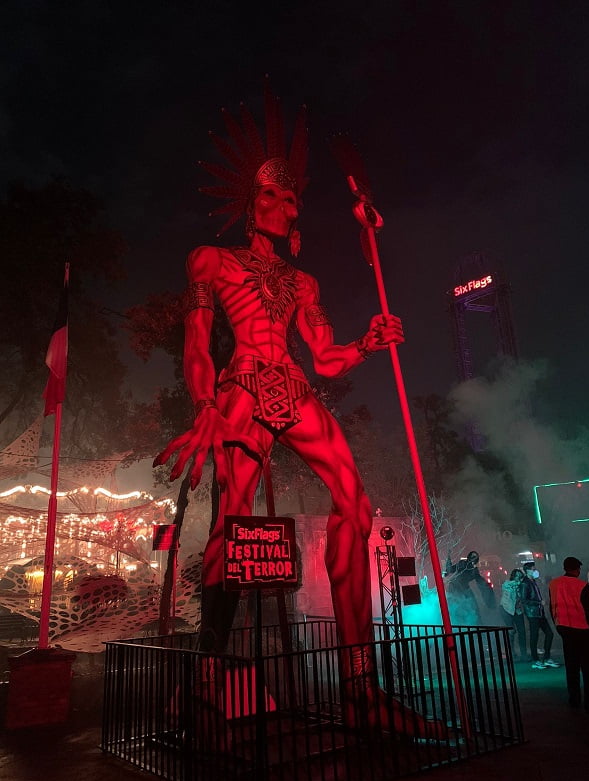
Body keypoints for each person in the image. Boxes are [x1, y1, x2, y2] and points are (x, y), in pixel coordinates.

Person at [153, 87, 444, 738]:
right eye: (270, 196)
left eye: (291, 199)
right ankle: (207, 678)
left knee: (357, 506)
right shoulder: (212, 261)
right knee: (230, 526)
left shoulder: (303, 282)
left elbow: (326, 356)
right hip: (242, 390)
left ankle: (359, 689)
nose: (283, 206)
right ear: (248, 205)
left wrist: (367, 344)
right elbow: (197, 346)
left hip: (291, 383)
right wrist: (204, 405)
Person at [549, 556, 589, 712]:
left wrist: (558, 626)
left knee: (572, 668)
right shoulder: (583, 586)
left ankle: (574, 700)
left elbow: (552, 606)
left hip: (565, 630)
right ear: (577, 569)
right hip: (585, 632)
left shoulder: (553, 584)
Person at [519, 561, 559, 669]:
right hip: (532, 614)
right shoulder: (525, 583)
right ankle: (535, 660)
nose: (535, 571)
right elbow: (524, 600)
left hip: (539, 612)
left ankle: (546, 658)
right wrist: (538, 603)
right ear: (527, 571)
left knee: (549, 634)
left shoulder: (534, 582)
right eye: (533, 569)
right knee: (534, 636)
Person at [444, 550, 495, 625]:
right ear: (469, 557)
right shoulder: (462, 563)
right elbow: (450, 569)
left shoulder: (474, 570)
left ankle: (478, 626)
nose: (473, 559)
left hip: (465, 588)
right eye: (472, 557)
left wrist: (488, 589)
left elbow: (480, 581)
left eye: (475, 557)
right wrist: (448, 558)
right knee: (454, 607)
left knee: (474, 606)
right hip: (455, 587)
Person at [499, 568, 527, 660]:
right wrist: (520, 583)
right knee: (511, 632)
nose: (518, 578)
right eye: (517, 576)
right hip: (506, 610)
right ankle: (512, 654)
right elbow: (508, 585)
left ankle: (524, 654)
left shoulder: (521, 586)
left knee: (522, 632)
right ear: (513, 576)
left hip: (517, 610)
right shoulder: (507, 584)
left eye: (520, 576)